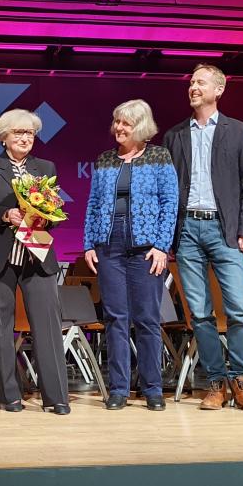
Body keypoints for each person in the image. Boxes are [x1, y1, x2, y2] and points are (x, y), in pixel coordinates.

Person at [162, 64, 243, 412]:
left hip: (225, 230)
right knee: (200, 313)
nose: (193, 86)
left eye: (201, 82)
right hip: (188, 229)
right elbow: (167, 189)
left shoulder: (238, 131)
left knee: (238, 307)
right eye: (191, 81)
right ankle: (216, 382)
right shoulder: (175, 135)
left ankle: (241, 380)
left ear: (219, 89)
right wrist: (167, 236)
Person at [0, 109, 70, 414]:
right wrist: (4, 213)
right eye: (18, 133)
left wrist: (45, 216)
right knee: (0, 327)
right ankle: (7, 396)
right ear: (4, 137)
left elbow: (55, 214)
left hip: (36, 255)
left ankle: (57, 397)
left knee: (48, 326)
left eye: (30, 133)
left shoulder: (45, 167)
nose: (25, 138)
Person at [83, 100, 178, 411]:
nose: (118, 128)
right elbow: (94, 203)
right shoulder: (105, 160)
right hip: (110, 245)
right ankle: (119, 389)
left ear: (141, 127)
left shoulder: (159, 155)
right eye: (117, 122)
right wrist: (88, 243)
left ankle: (152, 388)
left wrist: (162, 246)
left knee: (148, 319)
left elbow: (169, 202)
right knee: (115, 318)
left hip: (146, 246)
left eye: (125, 123)